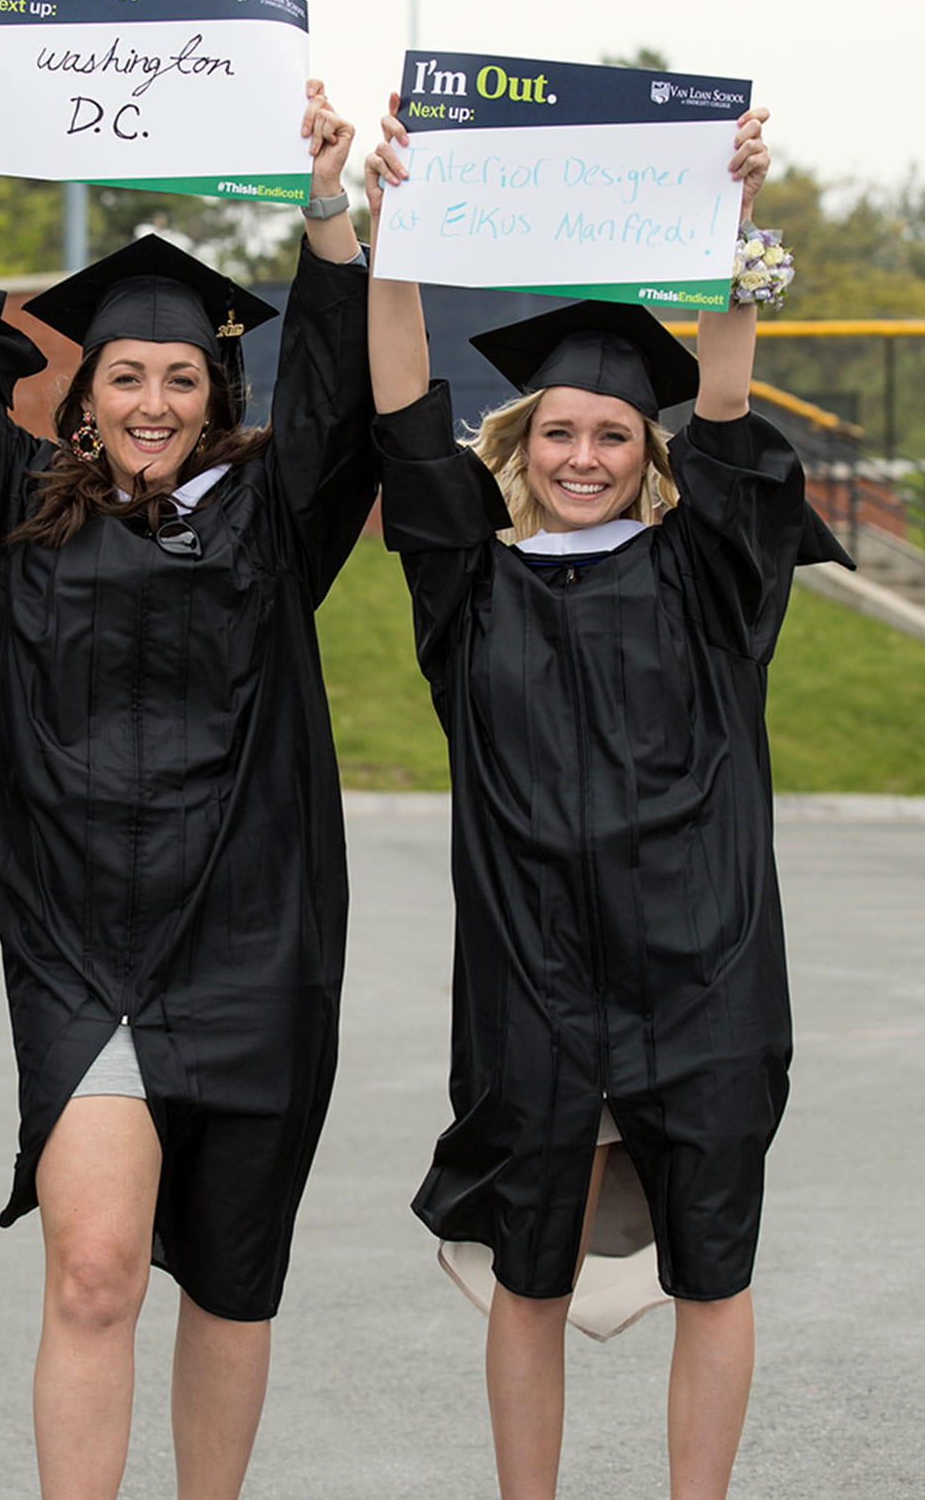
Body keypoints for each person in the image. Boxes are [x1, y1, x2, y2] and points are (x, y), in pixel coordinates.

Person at [0, 48, 374, 1499]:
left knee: (230, 1280)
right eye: (123, 375)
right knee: (95, 1271)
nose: (152, 400)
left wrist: (328, 202)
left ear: (216, 389)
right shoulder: (17, 513)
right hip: (84, 947)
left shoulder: (276, 517)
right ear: (79, 396)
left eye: (180, 376)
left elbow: (344, 392)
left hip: (255, 937)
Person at [364, 101, 851, 1497]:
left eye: (614, 437)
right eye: (561, 432)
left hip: (706, 981)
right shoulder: (469, 585)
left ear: (649, 452)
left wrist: (738, 240)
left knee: (714, 1271)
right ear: (524, 440)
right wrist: (398, 233)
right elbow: (401, 417)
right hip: (533, 986)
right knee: (531, 1275)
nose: (585, 456)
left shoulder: (709, 581)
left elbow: (734, 408)